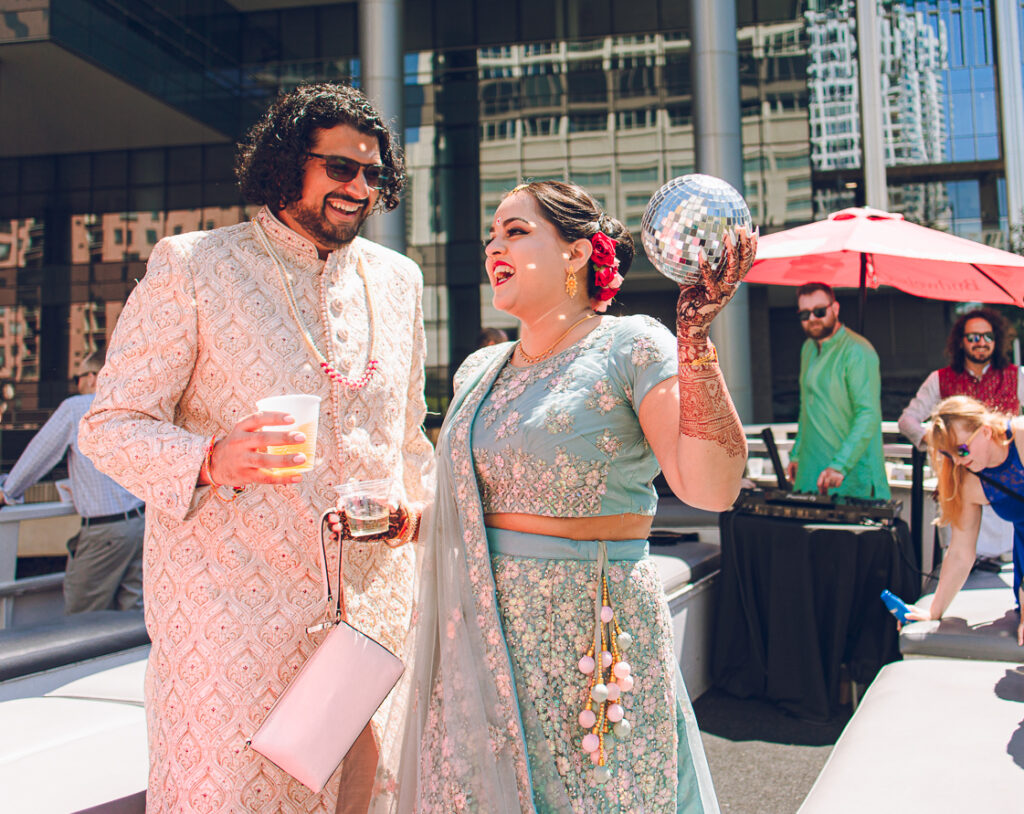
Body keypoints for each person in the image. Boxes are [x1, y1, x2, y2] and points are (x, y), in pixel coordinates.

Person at [78, 83, 435, 814]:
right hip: (231, 613)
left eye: (374, 173)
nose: (359, 187)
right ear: (285, 164)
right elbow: (109, 423)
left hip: (372, 612)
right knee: (231, 795)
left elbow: (409, 438)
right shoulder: (195, 265)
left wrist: (413, 506)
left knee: (368, 796)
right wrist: (209, 459)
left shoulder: (398, 282)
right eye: (340, 168)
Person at [377, 181, 754, 813]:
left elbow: (710, 488)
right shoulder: (478, 370)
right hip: (480, 634)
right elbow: (480, 508)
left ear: (578, 253)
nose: (494, 246)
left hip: (588, 637)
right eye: (492, 235)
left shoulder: (633, 343)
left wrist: (694, 341)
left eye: (516, 231)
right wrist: (414, 520)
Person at [0, 351, 144, 613]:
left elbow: (39, 455)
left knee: (82, 615)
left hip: (106, 532)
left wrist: (8, 491)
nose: (76, 385)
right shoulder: (132, 406)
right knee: (131, 616)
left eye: (77, 377)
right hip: (140, 524)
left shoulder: (78, 407)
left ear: (92, 377)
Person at [898, 308, 1021, 561]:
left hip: (1005, 485)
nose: (981, 343)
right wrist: (942, 443)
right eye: (974, 337)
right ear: (960, 341)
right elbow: (907, 421)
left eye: (988, 336)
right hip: (961, 480)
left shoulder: (1015, 376)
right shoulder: (939, 379)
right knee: (962, 556)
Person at [909, 395, 1024, 646]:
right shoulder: (970, 481)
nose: (959, 461)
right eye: (948, 455)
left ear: (984, 431)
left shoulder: (1022, 437)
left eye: (961, 449)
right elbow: (960, 553)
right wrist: (934, 611)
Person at [784, 282, 890, 499]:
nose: (813, 318)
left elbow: (868, 415)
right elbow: (807, 408)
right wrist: (796, 454)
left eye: (820, 311)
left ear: (835, 309)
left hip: (849, 475)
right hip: (811, 473)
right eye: (805, 314)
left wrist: (840, 465)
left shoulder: (858, 351)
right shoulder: (808, 349)